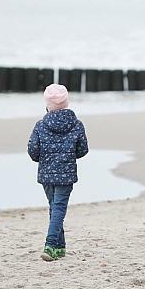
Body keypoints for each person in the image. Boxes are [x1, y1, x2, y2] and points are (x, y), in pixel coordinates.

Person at [28, 84, 89, 261]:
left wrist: (43, 159)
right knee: (58, 209)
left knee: (55, 209)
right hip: (66, 174)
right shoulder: (76, 125)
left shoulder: (41, 125)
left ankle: (54, 246)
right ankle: (55, 246)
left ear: (47, 105)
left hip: (46, 174)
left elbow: (33, 150)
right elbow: (83, 150)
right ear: (66, 103)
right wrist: (69, 155)